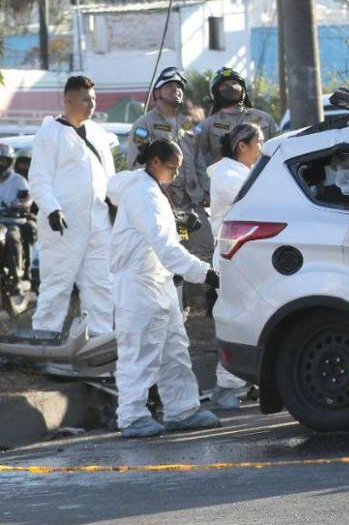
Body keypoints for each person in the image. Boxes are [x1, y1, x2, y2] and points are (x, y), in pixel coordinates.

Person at [107, 140, 222, 438]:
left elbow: (157, 234)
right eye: (173, 167)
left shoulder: (150, 188)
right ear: (155, 162)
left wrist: (180, 220)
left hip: (158, 281)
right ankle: (131, 416)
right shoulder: (143, 193)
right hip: (139, 284)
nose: (176, 174)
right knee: (140, 352)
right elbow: (166, 248)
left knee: (174, 349)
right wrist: (206, 273)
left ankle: (182, 410)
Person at [27, 75, 117, 335]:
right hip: (63, 227)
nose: (92, 105)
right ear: (69, 100)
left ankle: (98, 342)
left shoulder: (98, 134)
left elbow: (110, 178)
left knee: (101, 286)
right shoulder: (50, 134)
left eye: (94, 99)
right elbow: (39, 178)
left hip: (98, 226)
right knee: (57, 286)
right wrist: (52, 209)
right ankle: (44, 339)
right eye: (86, 99)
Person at [192, 67, 279, 259]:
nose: (230, 87)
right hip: (226, 189)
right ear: (216, 92)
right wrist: (204, 189)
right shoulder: (208, 124)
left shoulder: (265, 118)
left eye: (235, 83)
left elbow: (280, 152)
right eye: (224, 85)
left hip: (264, 188)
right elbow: (193, 158)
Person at [206, 122, 263, 410]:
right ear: (242, 146)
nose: (261, 149)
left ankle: (250, 381)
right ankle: (225, 387)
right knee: (237, 322)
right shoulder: (228, 176)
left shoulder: (241, 172)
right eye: (259, 143)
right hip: (232, 260)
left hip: (247, 259)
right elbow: (260, 199)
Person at [126, 66, 206, 234]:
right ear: (156, 93)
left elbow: (199, 162)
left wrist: (206, 190)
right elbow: (135, 166)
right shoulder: (144, 124)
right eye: (169, 86)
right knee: (173, 253)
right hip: (165, 205)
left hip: (194, 204)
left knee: (206, 252)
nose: (176, 89)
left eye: (179, 87)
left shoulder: (187, 124)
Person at [0, 142, 32, 286]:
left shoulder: (18, 181)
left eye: (3, 160)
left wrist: (20, 205)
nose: (0, 164)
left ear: (10, 162)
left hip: (11, 221)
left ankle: (17, 276)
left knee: (11, 237)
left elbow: (27, 198)